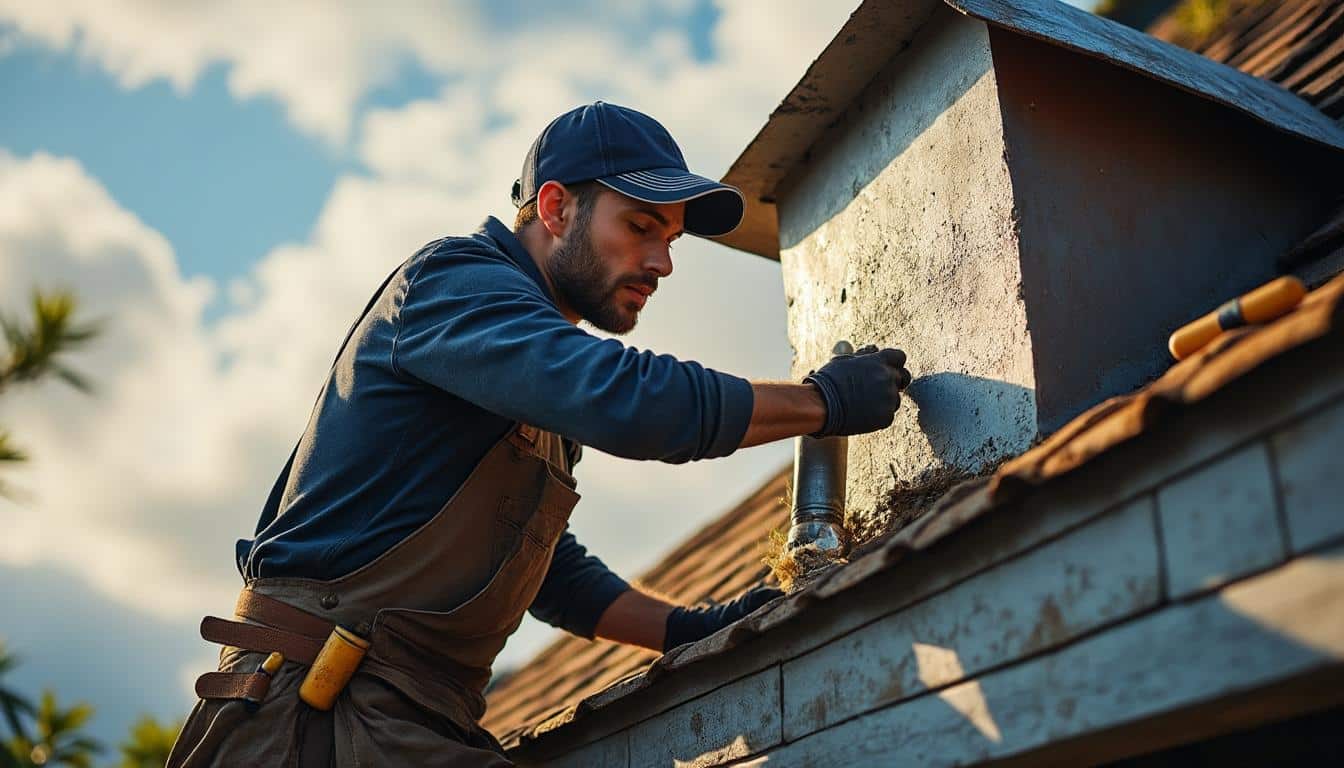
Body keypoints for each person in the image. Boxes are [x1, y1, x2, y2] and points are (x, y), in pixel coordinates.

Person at [167, 101, 911, 767]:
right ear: (555, 207)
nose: (663, 262)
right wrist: (822, 403)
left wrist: (690, 627)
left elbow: (541, 567)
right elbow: (629, 401)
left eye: (673, 238)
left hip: (399, 720)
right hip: (309, 718)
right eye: (642, 227)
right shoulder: (452, 285)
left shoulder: (528, 374)